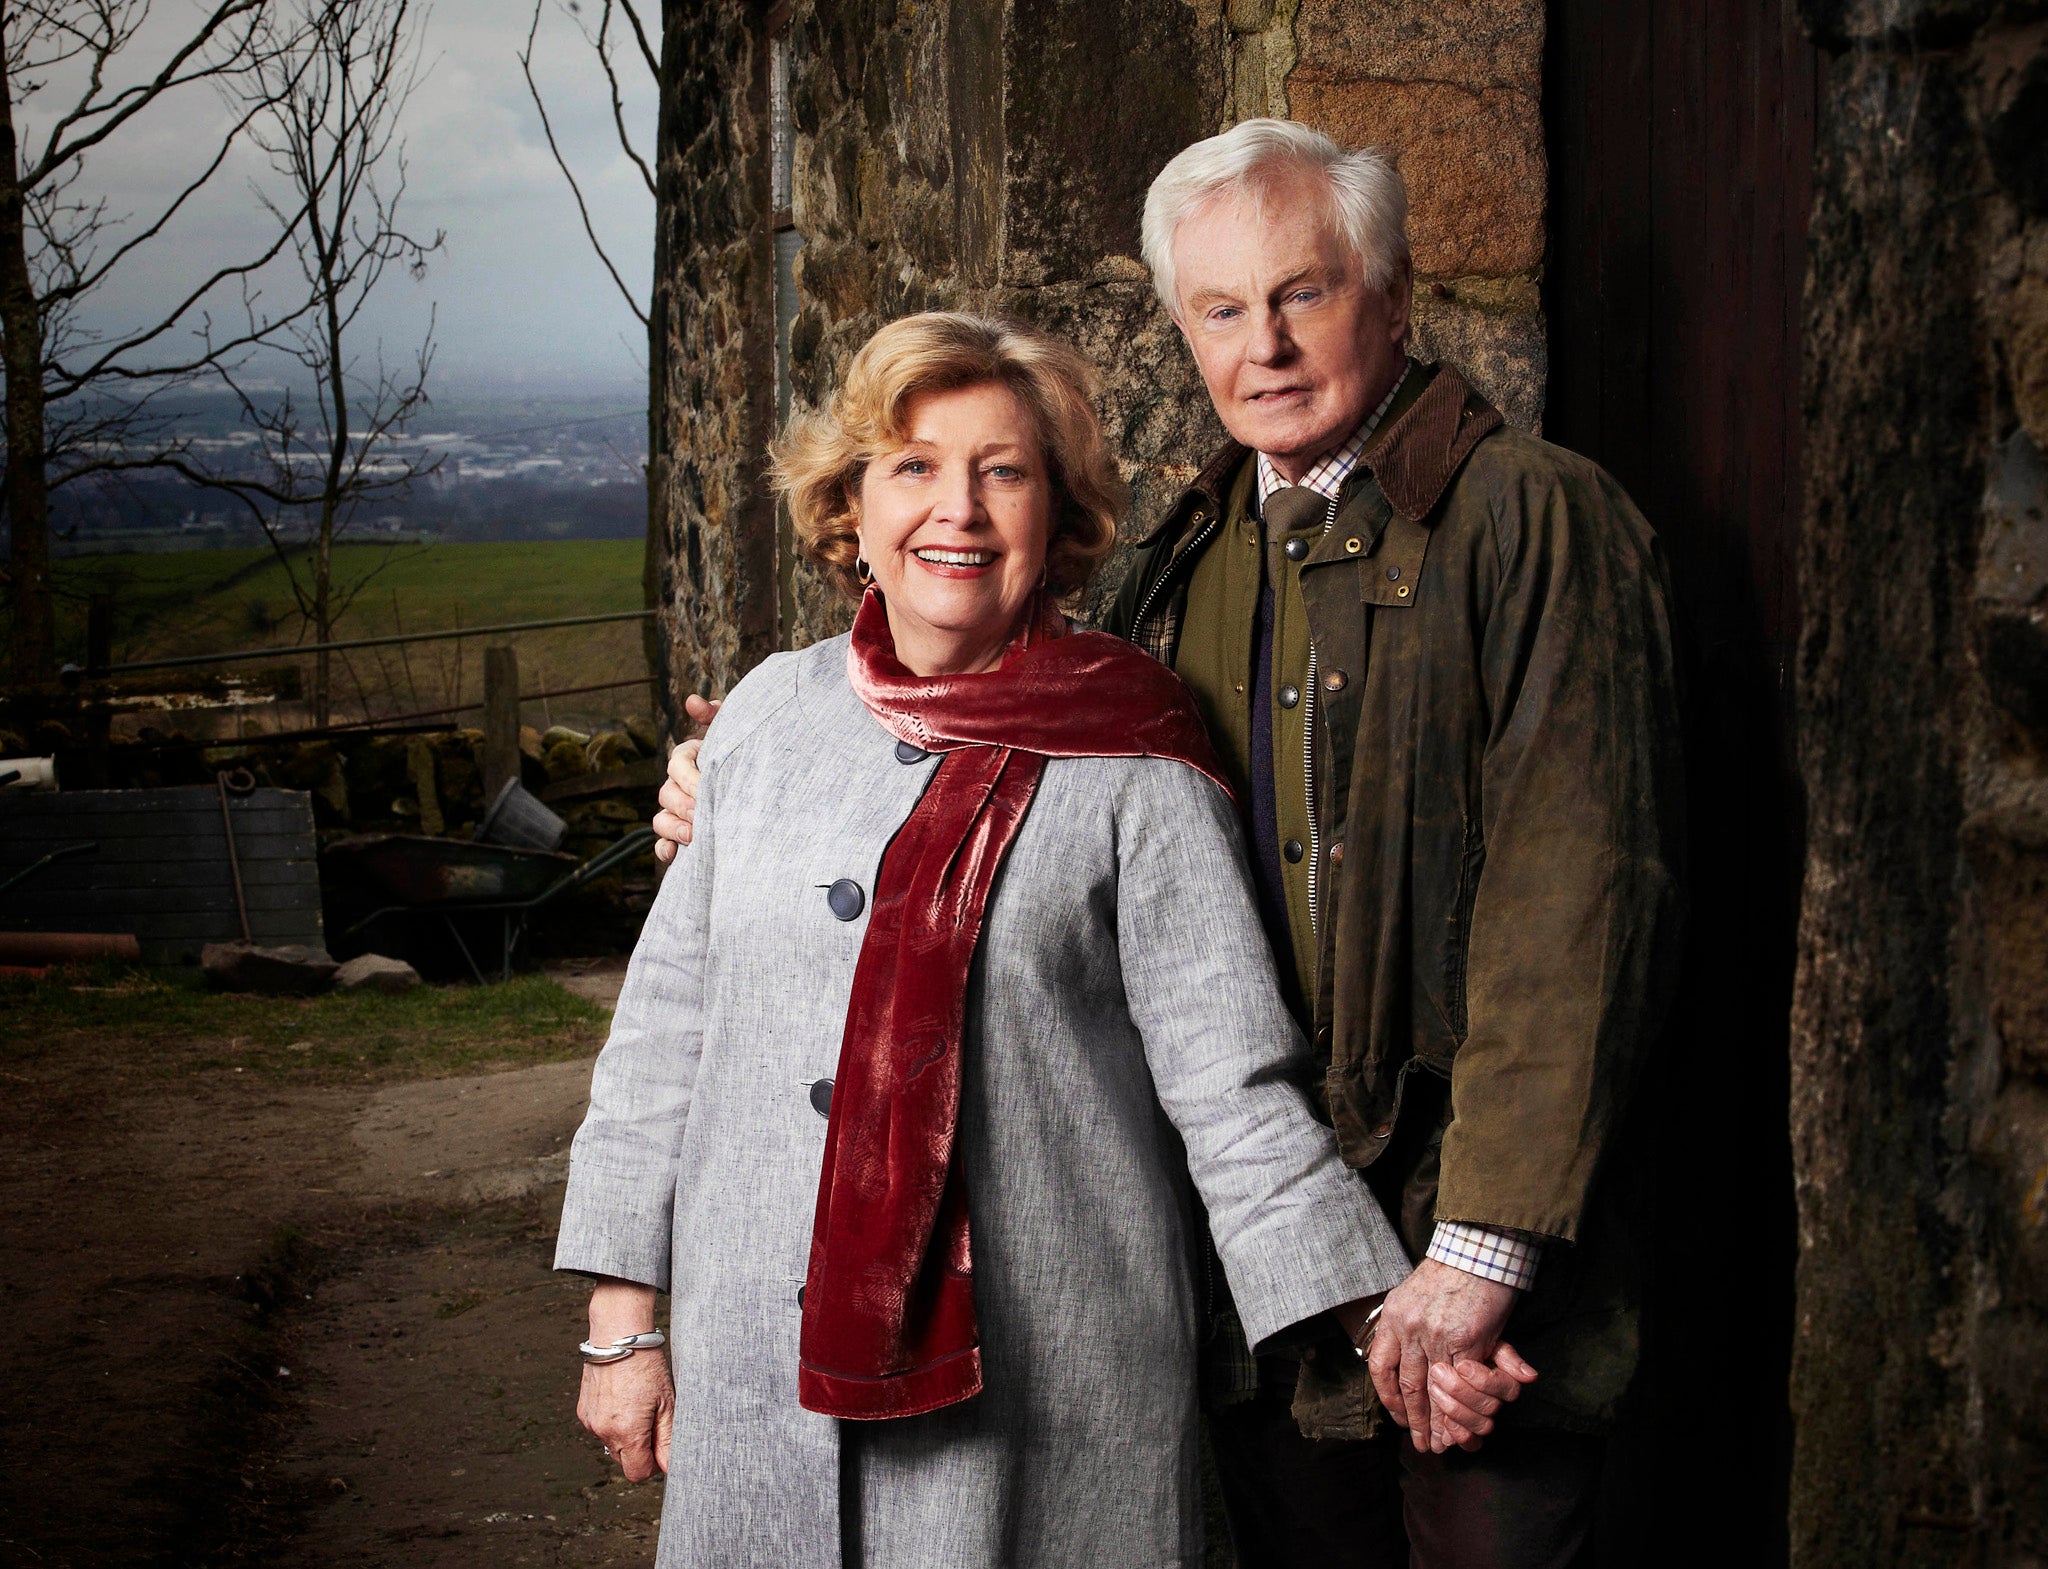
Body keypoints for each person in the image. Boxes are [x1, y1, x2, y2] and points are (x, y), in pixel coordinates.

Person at [655, 122, 1686, 1569]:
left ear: (1392, 300)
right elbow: (1001, 731)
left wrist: (1480, 1251)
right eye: (1218, 309)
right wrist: (745, 790)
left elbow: (1577, 905)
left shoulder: (1533, 521)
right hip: (1257, 1283)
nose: (1261, 344)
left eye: (1302, 294)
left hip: (1473, 1270)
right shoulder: (1181, 565)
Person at [558, 311, 1510, 1568]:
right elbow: (662, 1040)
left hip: (1044, 1380)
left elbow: (1228, 1089)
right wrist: (624, 1326)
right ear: (850, 505)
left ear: (1056, 519)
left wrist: (1380, 1318)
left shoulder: (1134, 757)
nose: (955, 507)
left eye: (1000, 471)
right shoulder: (759, 726)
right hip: (757, 1366)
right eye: (912, 464)